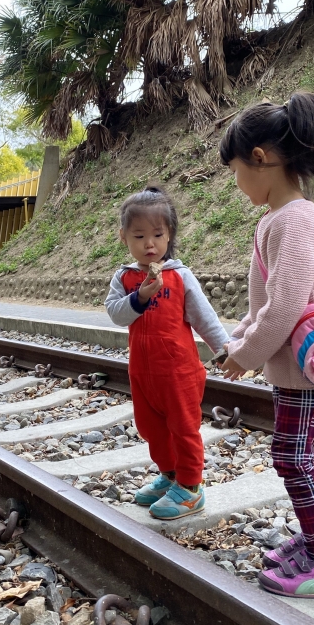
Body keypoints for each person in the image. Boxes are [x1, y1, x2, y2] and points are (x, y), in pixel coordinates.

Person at [220, 92, 314, 599]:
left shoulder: (293, 219)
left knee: (293, 457)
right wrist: (237, 340)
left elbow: (286, 307)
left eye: (236, 170)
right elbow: (262, 306)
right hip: (298, 362)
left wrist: (247, 356)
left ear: (260, 159)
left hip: (310, 364)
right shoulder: (276, 220)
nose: (236, 183)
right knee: (293, 453)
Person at [105, 186, 229, 520]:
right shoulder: (125, 277)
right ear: (124, 237)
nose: (150, 244)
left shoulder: (179, 275)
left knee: (183, 428)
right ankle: (170, 475)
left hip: (179, 372)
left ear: (169, 235)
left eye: (158, 235)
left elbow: (204, 317)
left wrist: (225, 349)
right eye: (140, 236)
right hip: (143, 372)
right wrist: (140, 297)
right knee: (152, 429)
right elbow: (115, 314)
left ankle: (191, 487)